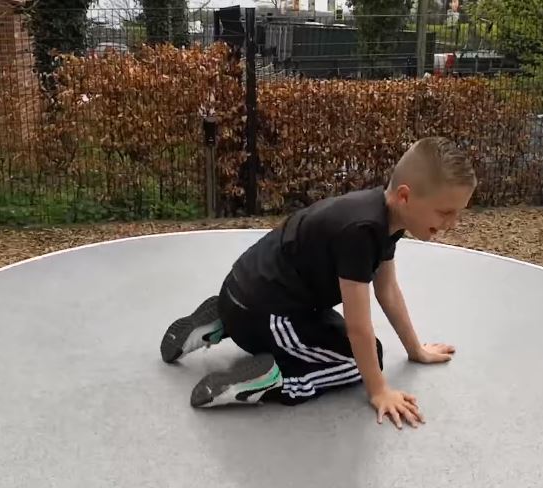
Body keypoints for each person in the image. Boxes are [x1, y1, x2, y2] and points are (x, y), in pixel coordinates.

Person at [159, 136, 476, 429]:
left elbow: (387, 290)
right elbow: (359, 328)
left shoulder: (381, 215)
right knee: (361, 360)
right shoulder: (362, 232)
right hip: (264, 313)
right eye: (446, 212)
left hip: (243, 293)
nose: (452, 223)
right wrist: (379, 390)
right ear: (405, 196)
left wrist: (415, 349)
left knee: (335, 336)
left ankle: (221, 319)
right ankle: (270, 378)